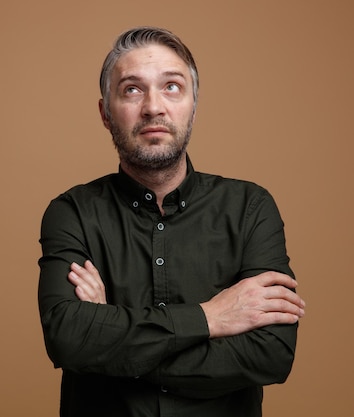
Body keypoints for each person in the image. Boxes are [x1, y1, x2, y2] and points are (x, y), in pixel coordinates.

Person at [37, 26, 305, 417]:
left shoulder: (251, 207)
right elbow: (69, 340)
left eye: (172, 87)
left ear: (194, 106)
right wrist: (210, 317)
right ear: (105, 113)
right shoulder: (72, 212)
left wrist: (113, 339)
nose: (153, 107)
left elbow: (272, 354)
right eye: (131, 89)